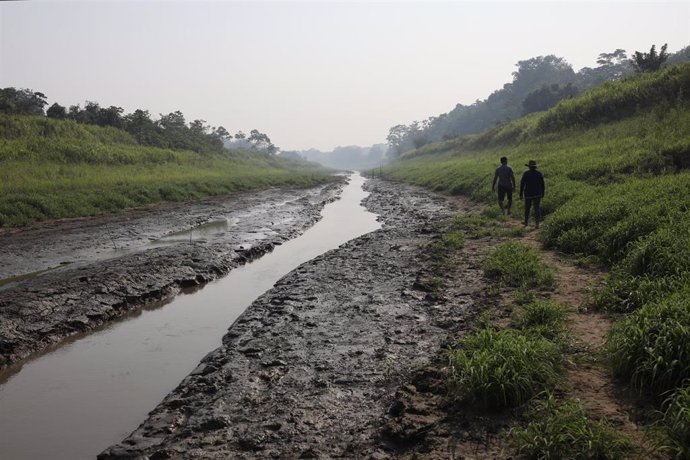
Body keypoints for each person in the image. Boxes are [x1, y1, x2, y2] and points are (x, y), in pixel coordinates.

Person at [519, 160, 545, 228]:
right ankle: (537, 223)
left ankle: (526, 222)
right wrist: (543, 192)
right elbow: (542, 184)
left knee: (527, 208)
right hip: (537, 193)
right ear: (535, 167)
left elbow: (522, 184)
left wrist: (521, 194)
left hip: (528, 193)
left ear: (529, 167)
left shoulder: (526, 174)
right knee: (537, 208)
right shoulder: (539, 173)